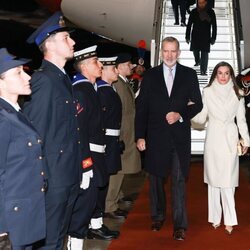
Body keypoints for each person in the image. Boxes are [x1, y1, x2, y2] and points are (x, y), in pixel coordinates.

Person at [23, 12, 82, 249]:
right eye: (67, 37)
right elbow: (34, 134)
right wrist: (43, 179)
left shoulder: (61, 78)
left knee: (58, 238)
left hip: (67, 174)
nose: (73, 42)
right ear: (51, 43)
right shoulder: (44, 80)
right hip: (54, 179)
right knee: (49, 241)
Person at [135, 36, 202, 241]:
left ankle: (180, 225)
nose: (170, 55)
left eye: (173, 51)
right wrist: (139, 136)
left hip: (179, 138)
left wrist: (180, 113)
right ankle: (158, 216)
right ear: (161, 52)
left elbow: (197, 104)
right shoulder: (150, 76)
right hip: (155, 137)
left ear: (179, 52)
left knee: (179, 182)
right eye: (166, 51)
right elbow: (142, 108)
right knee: (156, 180)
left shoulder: (189, 75)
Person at [67, 46, 118, 249]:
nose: (101, 65)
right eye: (97, 62)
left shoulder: (90, 88)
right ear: (86, 66)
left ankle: (87, 233)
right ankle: (74, 244)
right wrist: (85, 163)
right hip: (87, 153)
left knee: (93, 196)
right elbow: (79, 131)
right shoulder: (81, 90)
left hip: (96, 150)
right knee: (84, 202)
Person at [192, 61, 250, 234]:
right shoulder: (207, 92)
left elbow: (241, 120)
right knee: (213, 181)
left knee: (229, 180)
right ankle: (215, 217)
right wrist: (191, 112)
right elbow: (201, 118)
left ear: (231, 74)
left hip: (230, 139)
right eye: (220, 73)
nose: (223, 76)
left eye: (226, 73)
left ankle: (230, 219)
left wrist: (246, 140)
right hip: (214, 139)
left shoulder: (238, 92)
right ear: (215, 74)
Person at [0, 48, 46, 250]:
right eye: (18, 72)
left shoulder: (16, 113)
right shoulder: (2, 119)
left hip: (25, 213)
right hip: (12, 221)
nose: (27, 76)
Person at [105, 53, 141, 219]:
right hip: (122, 134)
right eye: (127, 64)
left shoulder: (122, 82)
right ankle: (109, 205)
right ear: (118, 67)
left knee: (122, 167)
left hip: (126, 132)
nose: (131, 66)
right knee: (117, 170)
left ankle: (117, 196)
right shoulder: (118, 84)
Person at [185, 0, 217, 75]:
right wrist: (187, 36)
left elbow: (214, 26)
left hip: (206, 36)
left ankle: (203, 71)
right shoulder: (194, 11)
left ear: (206, 2)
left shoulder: (211, 12)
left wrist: (213, 37)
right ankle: (197, 61)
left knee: (205, 54)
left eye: (203, 2)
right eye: (199, 3)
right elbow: (189, 24)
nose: (201, 4)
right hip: (195, 35)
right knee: (195, 51)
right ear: (197, 3)